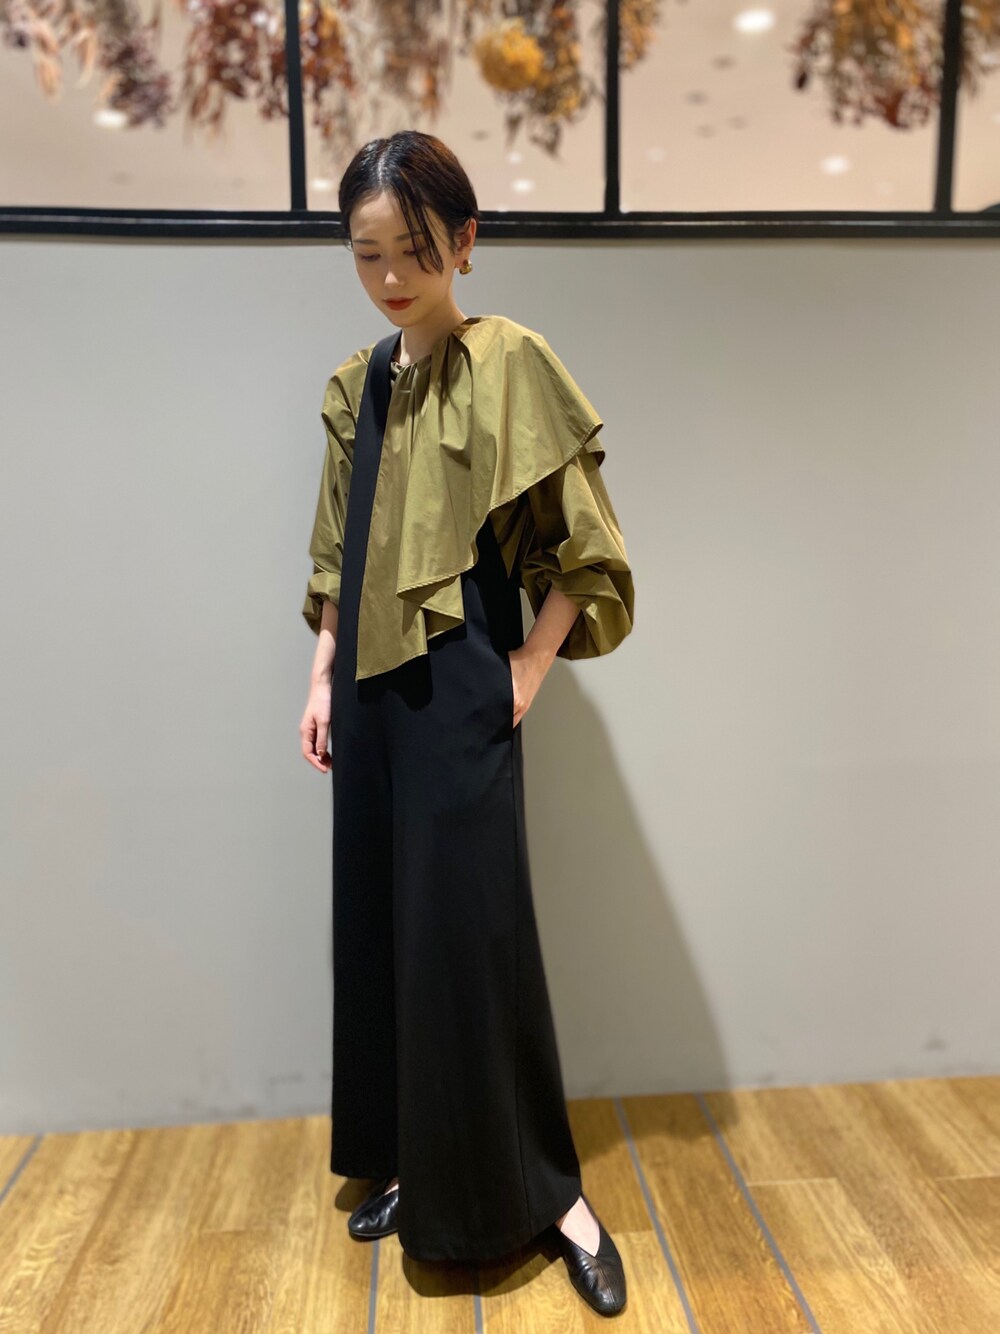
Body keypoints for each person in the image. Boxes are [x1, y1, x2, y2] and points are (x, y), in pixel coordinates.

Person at [299, 130, 635, 1318]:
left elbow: (585, 540)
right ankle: (412, 1160)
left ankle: (553, 1195)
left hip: (457, 691)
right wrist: (320, 674)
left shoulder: (511, 363)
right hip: (366, 696)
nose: (393, 276)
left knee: (474, 938)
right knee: (382, 926)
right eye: (369, 254)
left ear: (465, 240)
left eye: (416, 249)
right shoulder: (354, 385)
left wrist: (531, 663)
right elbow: (337, 548)